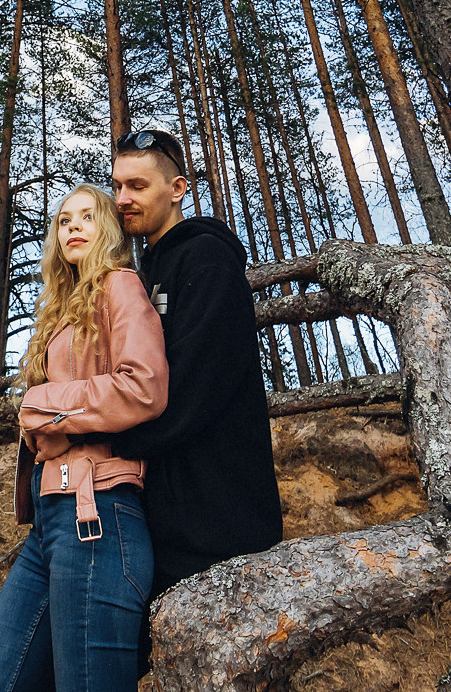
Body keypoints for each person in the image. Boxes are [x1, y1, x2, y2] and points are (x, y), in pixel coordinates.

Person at [0, 184, 168, 692]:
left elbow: (144, 387)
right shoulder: (63, 308)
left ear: (109, 230)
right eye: (64, 219)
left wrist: (43, 406)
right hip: (49, 522)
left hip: (98, 517)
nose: (73, 226)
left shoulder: (120, 284)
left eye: (88, 217)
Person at [106, 129, 281, 643]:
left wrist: (111, 440)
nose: (122, 199)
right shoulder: (143, 273)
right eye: (117, 186)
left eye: (138, 186)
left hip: (219, 529)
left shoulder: (206, 258)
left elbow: (196, 387)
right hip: (164, 523)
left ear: (178, 188)